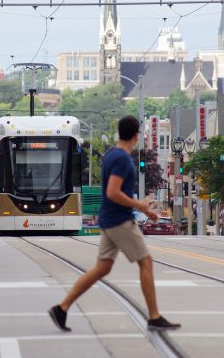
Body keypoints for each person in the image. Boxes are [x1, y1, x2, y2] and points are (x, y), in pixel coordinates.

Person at [48, 115, 181, 332]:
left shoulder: (111, 154)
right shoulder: (122, 159)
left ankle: (61, 308)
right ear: (137, 136)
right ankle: (154, 317)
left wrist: (141, 205)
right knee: (145, 262)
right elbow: (113, 192)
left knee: (102, 268)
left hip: (108, 219)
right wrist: (140, 206)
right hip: (120, 220)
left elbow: (113, 191)